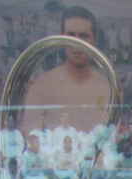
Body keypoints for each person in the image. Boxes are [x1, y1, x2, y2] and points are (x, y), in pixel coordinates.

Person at [22, 6, 114, 138]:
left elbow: (113, 138)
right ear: (62, 39)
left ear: (94, 40)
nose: (77, 43)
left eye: (84, 36)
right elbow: (31, 137)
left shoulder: (107, 87)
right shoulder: (42, 85)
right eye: (71, 36)